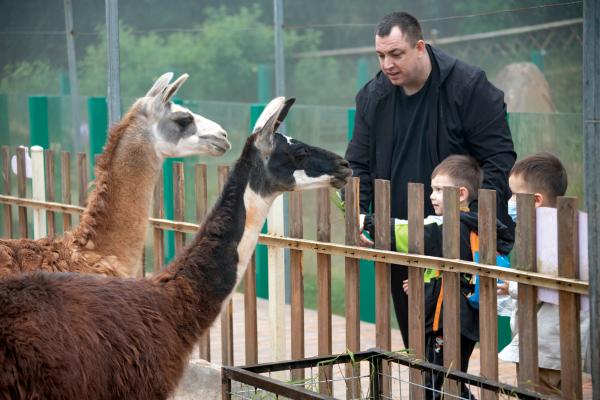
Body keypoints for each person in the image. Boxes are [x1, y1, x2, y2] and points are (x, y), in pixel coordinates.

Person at [345, 10, 516, 347]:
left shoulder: (468, 87)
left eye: (396, 54)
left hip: (457, 245)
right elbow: (358, 165)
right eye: (380, 56)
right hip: (400, 240)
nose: (387, 64)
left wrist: (471, 223)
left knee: (453, 347)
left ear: (419, 46)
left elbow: (499, 160)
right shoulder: (372, 98)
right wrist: (360, 217)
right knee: (419, 345)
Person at [364, 155, 513, 399]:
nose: (431, 196)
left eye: (439, 190)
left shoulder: (457, 227)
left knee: (438, 380)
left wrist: (370, 223)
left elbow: (411, 235)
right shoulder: (461, 225)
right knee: (447, 378)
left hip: (452, 319)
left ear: (461, 194)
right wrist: (423, 284)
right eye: (432, 189)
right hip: (450, 316)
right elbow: (446, 271)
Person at [498, 152, 590, 398]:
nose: (510, 201)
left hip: (544, 342)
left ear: (536, 200)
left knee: (538, 391)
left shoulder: (547, 233)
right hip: (559, 340)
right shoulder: (569, 227)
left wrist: (512, 286)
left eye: (515, 194)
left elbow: (542, 283)